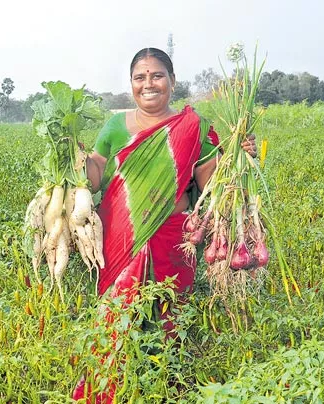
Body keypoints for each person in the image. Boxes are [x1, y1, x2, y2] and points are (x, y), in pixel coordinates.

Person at [73, 47, 257, 402]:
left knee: (172, 323)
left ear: (172, 81)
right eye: (139, 78)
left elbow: (211, 185)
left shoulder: (194, 126)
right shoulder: (115, 126)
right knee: (115, 322)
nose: (148, 84)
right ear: (131, 84)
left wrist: (237, 156)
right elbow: (95, 176)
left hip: (174, 236)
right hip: (120, 237)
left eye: (157, 76)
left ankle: (166, 392)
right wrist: (78, 159)